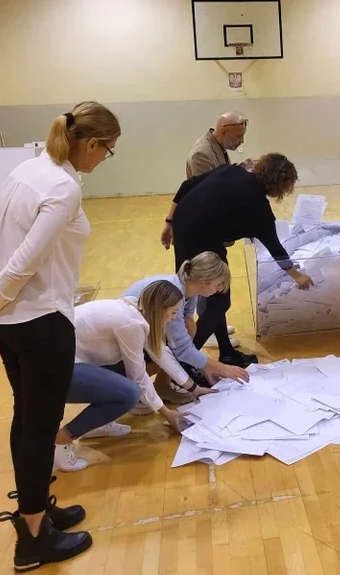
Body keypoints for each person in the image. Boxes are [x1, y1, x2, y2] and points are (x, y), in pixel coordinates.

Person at [0, 101, 120, 570]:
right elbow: (24, 261)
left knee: (27, 417)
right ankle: (32, 539)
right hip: (40, 321)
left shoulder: (27, 169)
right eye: (108, 150)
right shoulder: (63, 188)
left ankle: (38, 508)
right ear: (92, 143)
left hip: (9, 323)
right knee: (40, 425)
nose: (105, 158)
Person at [163, 154, 314, 366]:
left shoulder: (231, 170)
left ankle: (226, 352)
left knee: (211, 297)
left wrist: (169, 222)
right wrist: (297, 276)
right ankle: (185, 359)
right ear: (280, 184)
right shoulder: (259, 208)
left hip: (183, 222)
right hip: (202, 237)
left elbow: (187, 185)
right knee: (220, 300)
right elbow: (275, 248)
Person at [54, 278, 219, 472]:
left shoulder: (137, 309)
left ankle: (98, 423)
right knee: (129, 393)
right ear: (160, 309)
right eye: (173, 312)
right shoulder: (131, 324)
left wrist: (193, 388)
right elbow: (138, 376)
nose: (174, 318)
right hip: (55, 372)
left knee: (127, 375)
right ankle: (60, 441)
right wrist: (167, 414)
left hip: (71, 362)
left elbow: (161, 353)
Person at [164, 111, 251, 348]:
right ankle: (200, 336)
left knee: (214, 290)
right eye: (239, 136)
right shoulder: (202, 154)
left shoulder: (217, 147)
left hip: (203, 227)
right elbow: (210, 191)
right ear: (224, 130)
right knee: (207, 286)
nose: (241, 141)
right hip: (199, 231)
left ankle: (215, 330)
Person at [121, 253, 250, 402]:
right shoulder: (174, 295)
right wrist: (222, 368)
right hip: (126, 337)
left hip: (141, 329)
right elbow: (181, 348)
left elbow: (186, 329)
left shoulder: (188, 287)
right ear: (203, 282)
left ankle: (163, 386)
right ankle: (130, 388)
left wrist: (206, 367)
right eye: (218, 284)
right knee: (172, 350)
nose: (220, 289)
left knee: (189, 330)